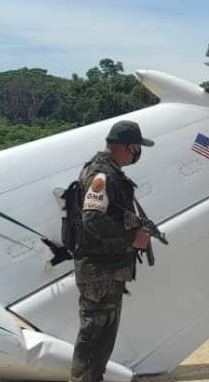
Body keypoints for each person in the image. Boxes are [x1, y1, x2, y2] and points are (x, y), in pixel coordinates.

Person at [69, 120, 154, 382]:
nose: (138, 153)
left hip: (104, 270)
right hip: (101, 271)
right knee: (94, 337)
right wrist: (133, 238)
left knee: (99, 338)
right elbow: (92, 219)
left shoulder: (102, 170)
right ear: (128, 147)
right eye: (137, 148)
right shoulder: (103, 174)